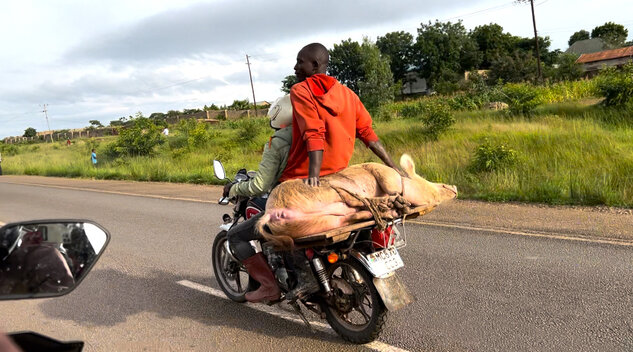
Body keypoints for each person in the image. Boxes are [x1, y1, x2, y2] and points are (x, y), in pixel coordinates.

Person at [280, 43, 403, 187]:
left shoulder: (301, 90)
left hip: (300, 174)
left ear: (314, 65)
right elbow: (368, 134)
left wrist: (313, 177)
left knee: (260, 199)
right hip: (338, 171)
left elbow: (314, 134)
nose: (295, 67)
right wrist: (393, 166)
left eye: (300, 62)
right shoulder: (349, 95)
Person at [223, 96, 293, 303]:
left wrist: (234, 188)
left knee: (235, 235)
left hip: (288, 201)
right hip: (318, 196)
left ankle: (269, 287)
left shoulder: (278, 141)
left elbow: (260, 185)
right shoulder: (312, 134)